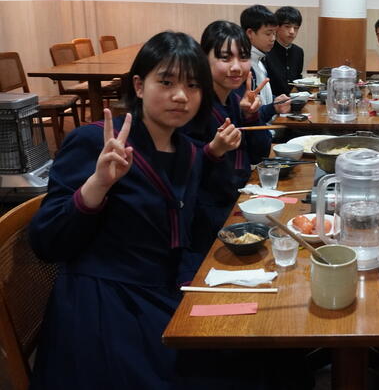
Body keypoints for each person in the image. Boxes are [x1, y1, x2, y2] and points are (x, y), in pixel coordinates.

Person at [27, 32, 243, 389]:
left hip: (165, 290)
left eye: (192, 85)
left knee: (258, 351)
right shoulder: (96, 143)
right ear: (140, 86)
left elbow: (194, 222)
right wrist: (97, 185)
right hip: (105, 307)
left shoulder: (189, 152)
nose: (181, 95)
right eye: (167, 82)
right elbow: (45, 243)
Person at [183, 20, 272, 253]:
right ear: (204, 58)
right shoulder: (193, 106)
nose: (236, 67)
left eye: (243, 57)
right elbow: (180, 174)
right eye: (225, 58)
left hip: (238, 202)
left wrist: (250, 116)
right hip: (206, 224)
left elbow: (260, 153)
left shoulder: (234, 99)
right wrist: (213, 151)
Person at [240, 4, 292, 120]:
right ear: (250, 33)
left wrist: (277, 100)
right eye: (268, 33)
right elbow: (247, 114)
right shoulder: (245, 67)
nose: (273, 39)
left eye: (274, 33)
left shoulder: (260, 60)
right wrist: (273, 107)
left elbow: (264, 98)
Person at [264, 6, 304, 97]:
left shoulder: (298, 52)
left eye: (296, 28)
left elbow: (298, 79)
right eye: (287, 27)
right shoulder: (266, 51)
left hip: (293, 100)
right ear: (277, 27)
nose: (292, 31)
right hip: (272, 101)